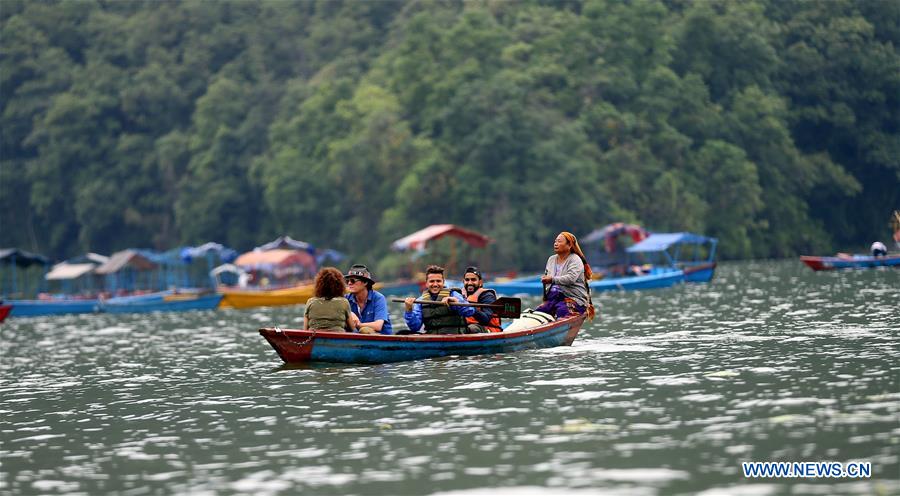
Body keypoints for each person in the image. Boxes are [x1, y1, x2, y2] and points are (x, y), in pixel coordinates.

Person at [536, 231, 596, 320]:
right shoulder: (551, 259)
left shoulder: (575, 259)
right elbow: (547, 279)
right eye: (555, 241)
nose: (556, 244)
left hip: (573, 298)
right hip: (553, 298)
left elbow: (571, 278)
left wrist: (552, 279)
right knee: (538, 313)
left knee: (562, 311)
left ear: (569, 245)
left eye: (559, 241)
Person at [403, 265, 475, 334]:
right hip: (433, 337)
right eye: (432, 281)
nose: (435, 284)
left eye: (438, 281)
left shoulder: (454, 294)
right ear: (426, 283)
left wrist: (456, 302)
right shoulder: (420, 301)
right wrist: (409, 310)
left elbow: (470, 312)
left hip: (454, 336)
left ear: (443, 282)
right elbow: (415, 327)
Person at [304, 267, 359, 332]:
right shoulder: (344, 302)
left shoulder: (310, 301)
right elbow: (352, 328)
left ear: (319, 285)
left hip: (314, 338)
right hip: (338, 337)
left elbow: (305, 329)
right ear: (340, 285)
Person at [344, 264, 393, 335]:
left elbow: (378, 326)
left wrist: (357, 324)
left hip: (381, 339)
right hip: (357, 340)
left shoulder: (378, 298)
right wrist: (350, 313)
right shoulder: (345, 299)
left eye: (353, 280)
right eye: (347, 281)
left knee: (365, 330)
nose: (349, 283)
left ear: (365, 282)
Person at [461, 266, 502, 333]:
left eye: (473, 280)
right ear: (463, 281)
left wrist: (472, 309)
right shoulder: (459, 295)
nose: (470, 283)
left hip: (488, 328)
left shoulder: (487, 296)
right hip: (466, 327)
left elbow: (486, 319)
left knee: (472, 329)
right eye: (467, 280)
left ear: (480, 282)